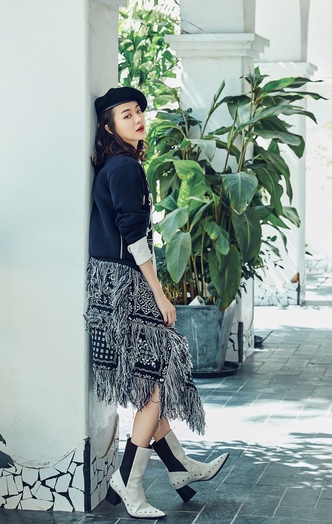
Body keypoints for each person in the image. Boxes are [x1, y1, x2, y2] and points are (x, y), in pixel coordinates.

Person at [84, 87, 229, 519]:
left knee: (151, 384)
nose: (137, 119)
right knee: (155, 386)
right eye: (126, 115)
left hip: (112, 284)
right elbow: (133, 236)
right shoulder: (124, 168)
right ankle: (128, 483)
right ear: (109, 126)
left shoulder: (118, 164)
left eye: (139, 112)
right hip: (124, 287)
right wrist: (160, 293)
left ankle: (179, 467)